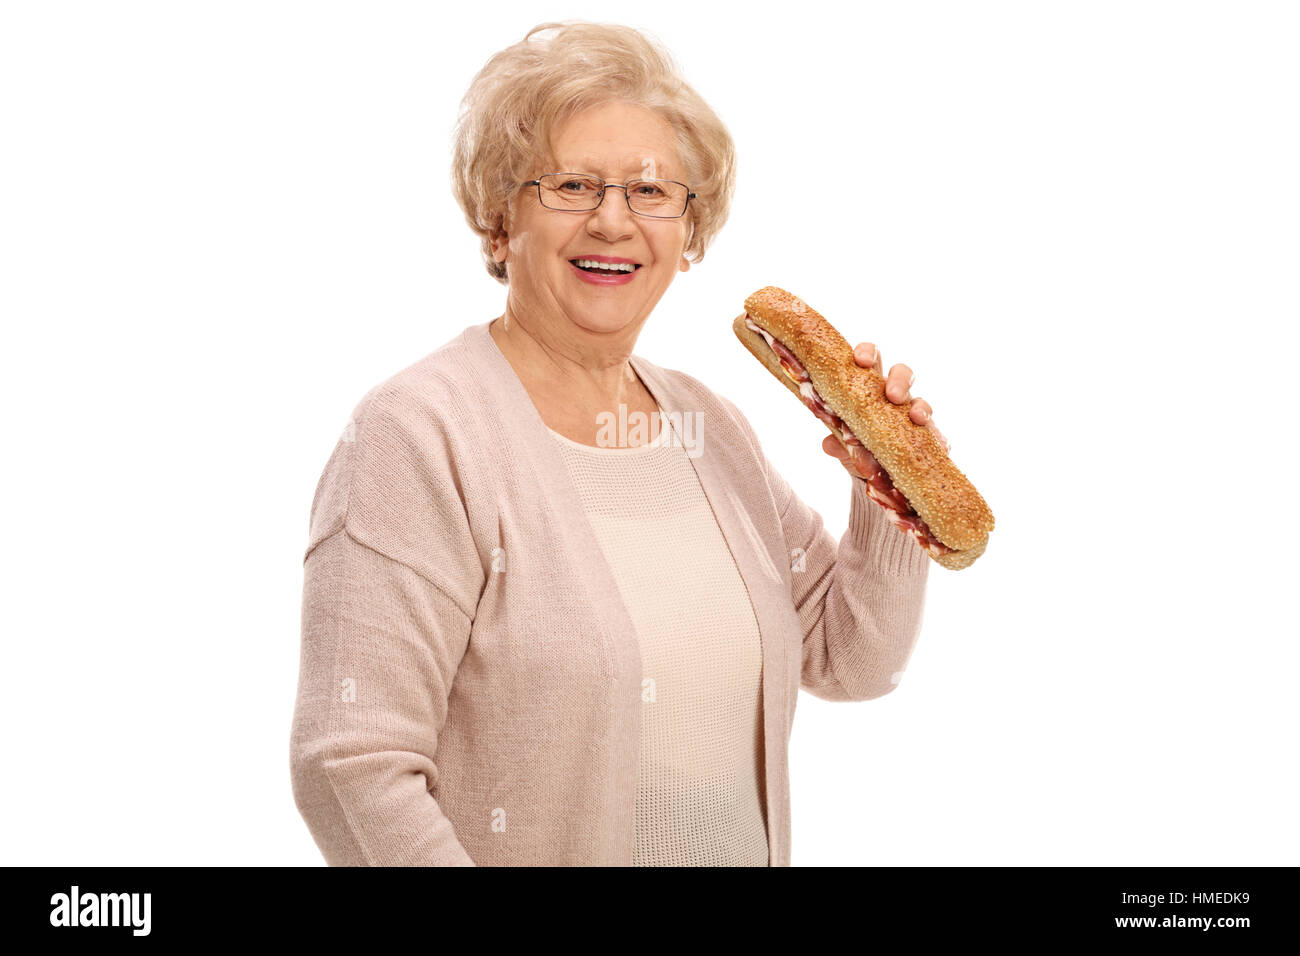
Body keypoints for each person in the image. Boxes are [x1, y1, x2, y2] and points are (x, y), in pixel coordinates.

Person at [290, 20, 944, 867]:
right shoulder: (419, 433)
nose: (613, 221)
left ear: (687, 232)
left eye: (649, 192)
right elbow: (349, 765)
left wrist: (891, 484)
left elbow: (850, 660)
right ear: (499, 221)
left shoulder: (706, 426)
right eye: (571, 185)